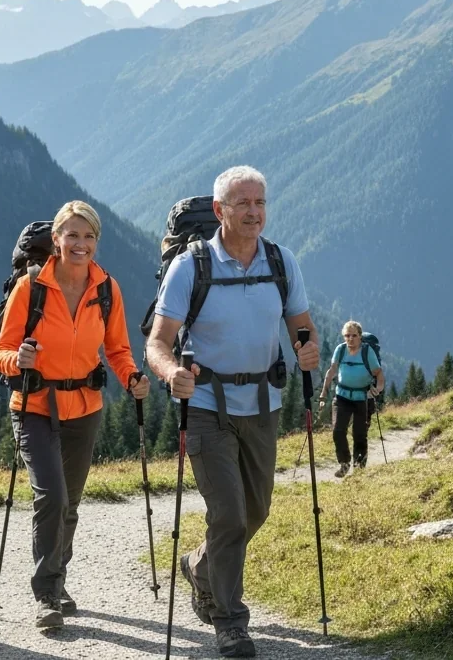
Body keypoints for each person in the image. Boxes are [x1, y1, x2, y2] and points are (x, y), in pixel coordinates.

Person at [146, 165, 318, 658]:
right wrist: (169, 372)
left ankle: (200, 567)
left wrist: (307, 349)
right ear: (220, 211)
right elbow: (157, 343)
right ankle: (230, 622)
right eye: (243, 203)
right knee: (229, 512)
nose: (253, 212)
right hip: (205, 405)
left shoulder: (281, 262)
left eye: (260, 203)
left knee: (255, 510)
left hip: (264, 406)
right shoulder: (192, 266)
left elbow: (303, 328)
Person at [0, 200, 149, 628]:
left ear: (97, 241)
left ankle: (57, 579)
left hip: (85, 406)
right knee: (52, 495)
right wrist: (16, 361)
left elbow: (116, 349)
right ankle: (46, 594)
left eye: (89, 236)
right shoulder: (31, 287)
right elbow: (0, 351)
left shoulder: (105, 289)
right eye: (72, 235)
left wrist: (132, 376)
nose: (81, 244)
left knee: (71, 502)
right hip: (35, 405)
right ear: (56, 240)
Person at [319, 321, 385, 477]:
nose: (350, 339)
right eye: (347, 335)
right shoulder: (340, 350)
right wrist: (323, 393)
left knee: (360, 434)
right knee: (337, 431)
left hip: (362, 398)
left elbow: (379, 374)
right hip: (342, 396)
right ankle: (344, 463)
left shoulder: (367, 352)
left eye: (354, 335)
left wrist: (379, 389)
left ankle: (359, 470)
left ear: (360, 336)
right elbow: (331, 372)